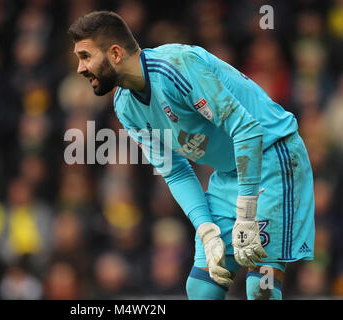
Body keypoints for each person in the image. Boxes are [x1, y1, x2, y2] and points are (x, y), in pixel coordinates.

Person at [67, 11, 315, 300]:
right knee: (200, 289)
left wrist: (246, 213)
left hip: (273, 156)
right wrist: (206, 229)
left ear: (115, 53)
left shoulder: (177, 65)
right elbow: (174, 170)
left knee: (260, 287)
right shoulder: (125, 107)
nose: (80, 68)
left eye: (85, 56)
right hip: (228, 174)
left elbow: (247, 130)